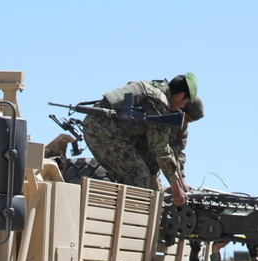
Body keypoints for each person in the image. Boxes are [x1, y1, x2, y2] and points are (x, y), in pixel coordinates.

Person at [81, 73, 197, 205]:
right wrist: (176, 188)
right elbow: (161, 149)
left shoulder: (155, 88)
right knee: (138, 174)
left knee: (141, 172)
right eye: (185, 102)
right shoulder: (160, 103)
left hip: (106, 131)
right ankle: (132, 220)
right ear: (180, 96)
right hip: (103, 133)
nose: (182, 107)